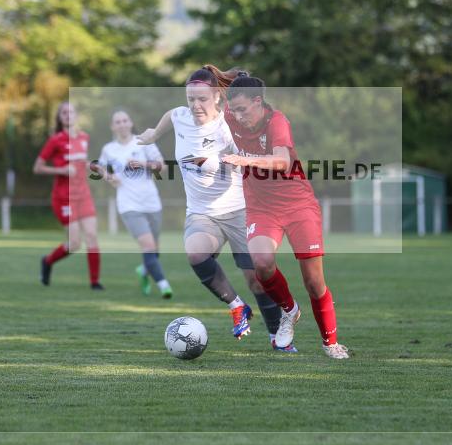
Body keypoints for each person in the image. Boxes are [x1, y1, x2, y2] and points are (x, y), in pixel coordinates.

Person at [137, 66, 288, 349]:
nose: (195, 105)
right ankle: (236, 306)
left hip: (239, 210)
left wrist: (216, 162)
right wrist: (153, 135)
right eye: (190, 98)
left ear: (218, 97)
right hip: (202, 212)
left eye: (202, 99)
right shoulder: (179, 116)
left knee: (257, 280)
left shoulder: (230, 125)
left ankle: (278, 337)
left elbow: (248, 157)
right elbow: (170, 117)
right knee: (195, 253)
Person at [220, 71, 350, 359]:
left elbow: (282, 161)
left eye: (243, 110)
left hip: (298, 205)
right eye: (234, 110)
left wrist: (243, 159)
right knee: (261, 264)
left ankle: (331, 343)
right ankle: (290, 311)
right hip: (261, 207)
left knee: (314, 282)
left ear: (258, 102)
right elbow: (204, 101)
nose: (237, 116)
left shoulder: (277, 121)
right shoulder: (230, 114)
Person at [98, 109, 173, 298]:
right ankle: (164, 286)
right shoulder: (109, 149)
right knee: (148, 246)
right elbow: (99, 167)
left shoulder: (143, 141)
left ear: (130, 123)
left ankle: (144, 272)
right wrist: (109, 177)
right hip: (128, 204)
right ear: (112, 127)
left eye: (125, 120)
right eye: (117, 122)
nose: (122, 124)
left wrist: (143, 165)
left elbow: (163, 167)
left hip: (151, 202)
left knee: (154, 251)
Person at [33, 102, 103, 289]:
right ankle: (48, 261)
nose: (67, 115)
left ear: (76, 115)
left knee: (92, 236)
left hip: (84, 194)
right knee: (74, 243)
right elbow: (37, 167)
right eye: (64, 112)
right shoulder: (56, 140)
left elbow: (82, 162)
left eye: (70, 112)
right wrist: (61, 170)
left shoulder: (84, 138)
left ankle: (95, 283)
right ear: (60, 117)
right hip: (64, 197)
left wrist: (92, 165)